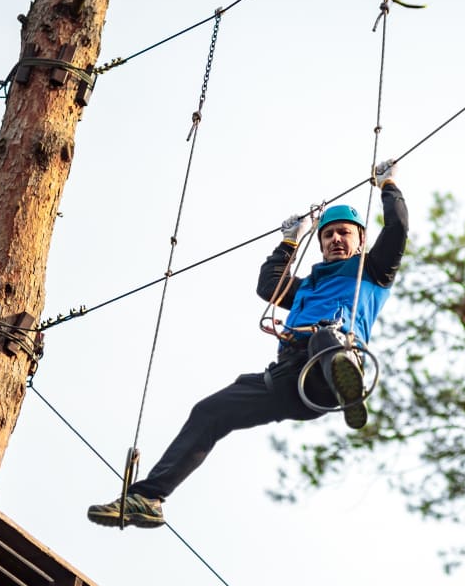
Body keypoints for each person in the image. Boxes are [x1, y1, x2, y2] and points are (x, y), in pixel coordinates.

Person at [86, 161, 407, 528]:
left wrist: (389, 186)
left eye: (345, 233)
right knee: (210, 411)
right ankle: (149, 498)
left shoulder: (373, 272)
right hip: (288, 379)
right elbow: (269, 286)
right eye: (329, 234)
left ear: (360, 240)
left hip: (326, 367)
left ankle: (346, 382)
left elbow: (397, 229)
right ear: (320, 243)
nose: (336, 239)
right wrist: (289, 241)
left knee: (324, 334)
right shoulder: (309, 286)